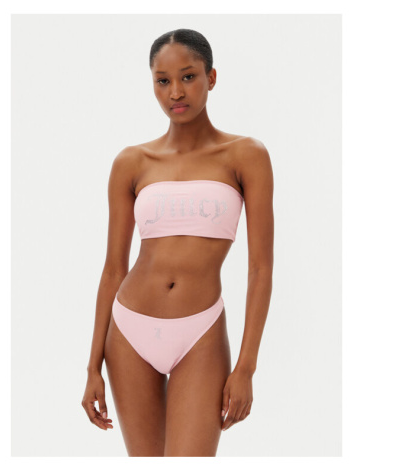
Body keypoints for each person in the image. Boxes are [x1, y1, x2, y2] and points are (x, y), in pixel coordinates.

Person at [82, 28, 274, 457]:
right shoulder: (132, 162)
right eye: (163, 80)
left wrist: (246, 367)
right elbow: (113, 268)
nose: (175, 92)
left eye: (188, 77)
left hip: (200, 333)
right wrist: (92, 366)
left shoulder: (246, 155)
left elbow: (261, 268)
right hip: (129, 330)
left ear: (211, 77)